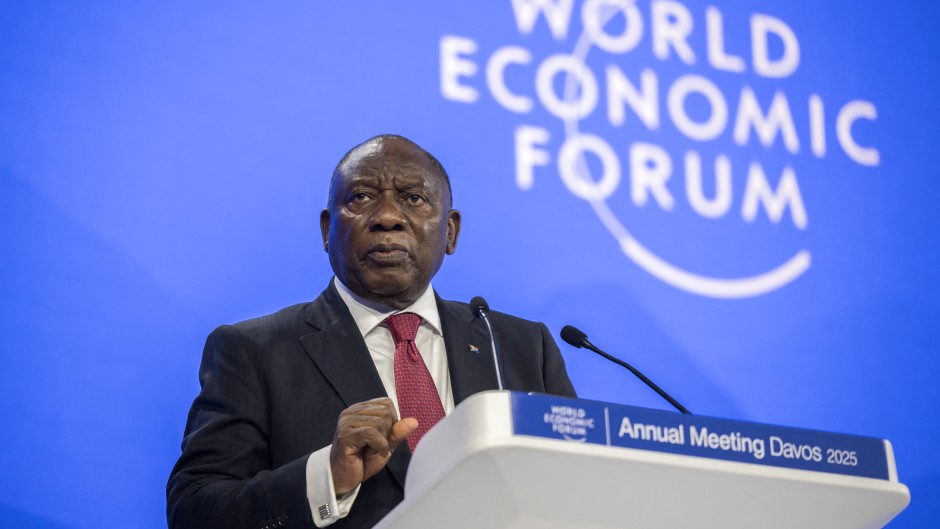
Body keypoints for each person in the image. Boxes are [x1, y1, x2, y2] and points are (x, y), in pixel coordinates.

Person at [166, 134, 576, 529]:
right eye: (361, 197)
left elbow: (575, 483)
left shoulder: (522, 347)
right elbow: (194, 510)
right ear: (328, 229)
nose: (387, 218)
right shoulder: (253, 350)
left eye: (413, 199)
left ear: (450, 232)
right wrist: (326, 475)